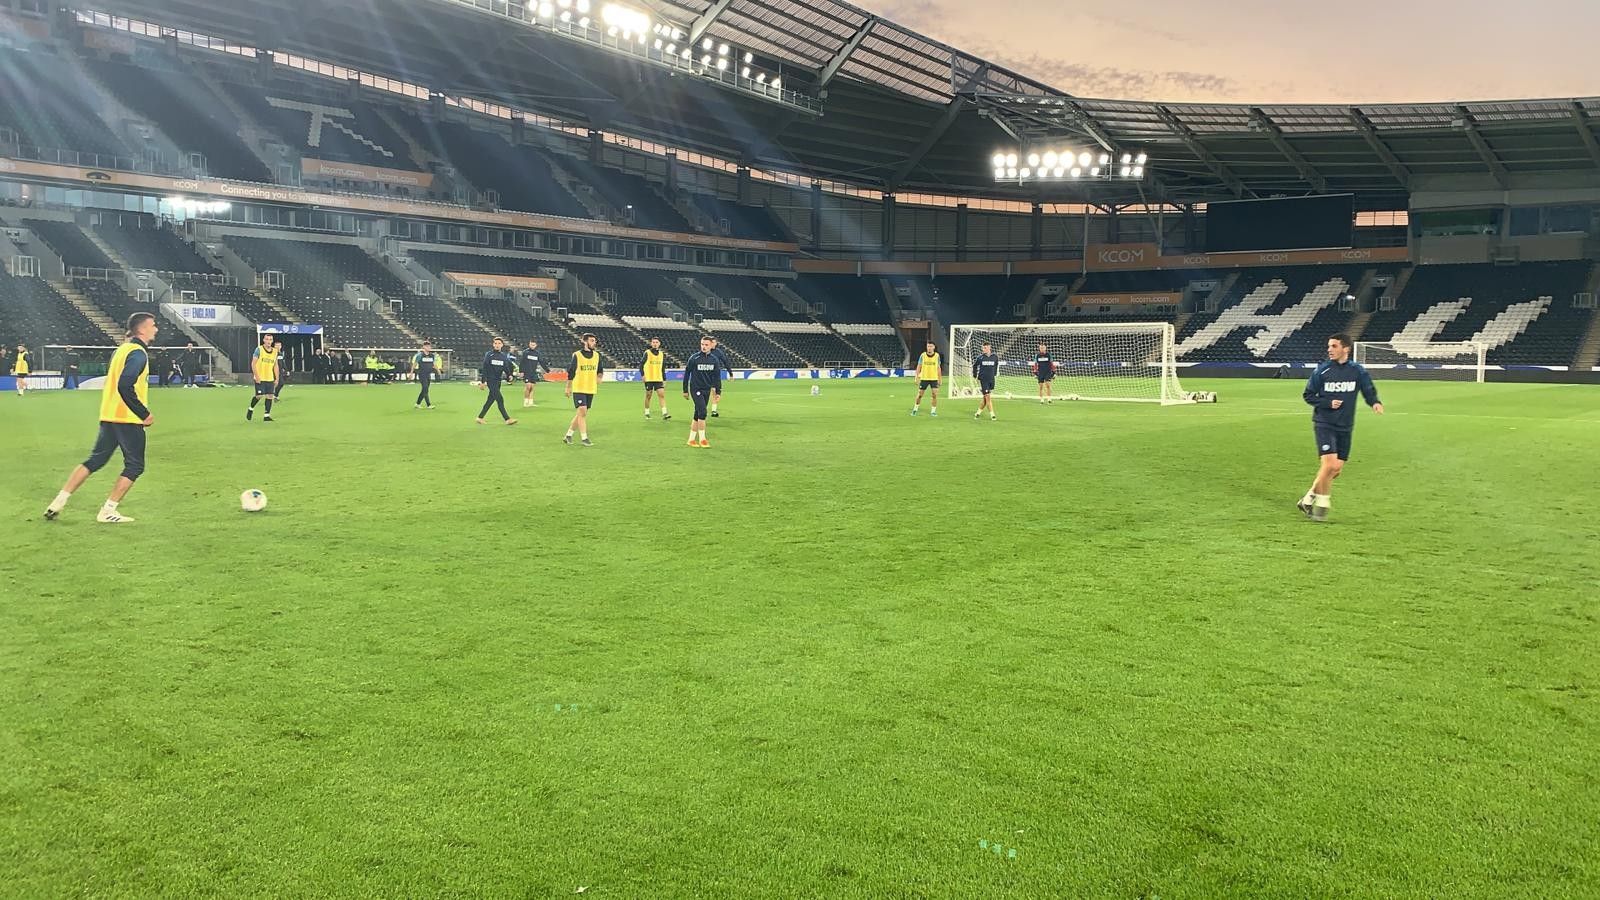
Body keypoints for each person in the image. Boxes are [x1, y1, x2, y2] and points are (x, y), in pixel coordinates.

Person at [43, 313, 158, 524]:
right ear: (142, 329)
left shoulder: (121, 350)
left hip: (109, 415)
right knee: (135, 466)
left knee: (95, 460)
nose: (156, 329)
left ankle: (58, 502)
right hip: (127, 418)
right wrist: (144, 413)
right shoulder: (138, 353)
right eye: (153, 325)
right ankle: (108, 510)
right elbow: (125, 385)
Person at [1298, 333, 1384, 523]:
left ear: (1346, 349)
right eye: (1329, 346)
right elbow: (1308, 395)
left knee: (1336, 469)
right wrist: (1327, 403)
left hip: (1345, 425)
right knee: (1328, 465)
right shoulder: (1322, 371)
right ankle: (1322, 504)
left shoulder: (1357, 371)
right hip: (1324, 423)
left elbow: (1367, 389)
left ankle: (1308, 498)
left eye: (1334, 346)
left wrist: (1375, 402)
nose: (1329, 349)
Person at [564, 333, 603, 446]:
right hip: (579, 387)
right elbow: (571, 373)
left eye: (594, 341)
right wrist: (568, 387)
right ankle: (584, 438)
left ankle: (568, 435)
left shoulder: (597, 355)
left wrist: (599, 377)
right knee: (582, 411)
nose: (594, 343)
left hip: (591, 388)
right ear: (585, 342)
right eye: (592, 340)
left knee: (581, 414)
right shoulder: (577, 355)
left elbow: (600, 370)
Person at [682, 335, 720, 447]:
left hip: (706, 390)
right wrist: (685, 390)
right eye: (702, 344)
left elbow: (717, 377)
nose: (704, 346)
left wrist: (718, 392)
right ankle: (703, 439)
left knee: (697, 414)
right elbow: (687, 374)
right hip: (696, 389)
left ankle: (691, 440)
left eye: (706, 345)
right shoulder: (694, 358)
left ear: (711, 346)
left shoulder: (714, 360)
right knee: (703, 412)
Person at [476, 337, 519, 425]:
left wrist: (509, 375)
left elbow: (505, 367)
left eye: (499, 343)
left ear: (502, 345)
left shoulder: (503, 356)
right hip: (490, 381)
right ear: (493, 344)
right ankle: (507, 419)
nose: (497, 345)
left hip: (498, 381)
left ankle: (480, 417)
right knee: (500, 399)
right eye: (495, 343)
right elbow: (485, 368)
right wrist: (483, 382)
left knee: (490, 400)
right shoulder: (489, 355)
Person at [246, 334, 281, 422]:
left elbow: (275, 365)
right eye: (267, 339)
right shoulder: (259, 350)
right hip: (260, 377)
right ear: (264, 340)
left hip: (270, 377)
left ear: (272, 341)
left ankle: (266, 416)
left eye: (270, 339)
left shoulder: (275, 351)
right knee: (259, 396)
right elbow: (253, 364)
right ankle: (251, 409)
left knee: (270, 396)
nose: (269, 341)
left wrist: (277, 378)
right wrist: (257, 376)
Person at [640, 337, 671, 420]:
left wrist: (664, 379)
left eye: (656, 342)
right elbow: (641, 365)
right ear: (651, 343)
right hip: (649, 378)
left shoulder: (662, 354)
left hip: (658, 378)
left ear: (659, 344)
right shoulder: (647, 353)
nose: (655, 344)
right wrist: (643, 375)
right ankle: (647, 412)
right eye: (653, 342)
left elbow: (663, 368)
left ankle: (665, 413)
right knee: (648, 396)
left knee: (661, 395)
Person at [910, 341, 940, 416]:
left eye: (931, 346)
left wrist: (940, 379)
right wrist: (916, 377)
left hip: (934, 378)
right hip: (924, 378)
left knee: (934, 395)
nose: (929, 348)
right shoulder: (923, 355)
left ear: (934, 347)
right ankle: (915, 409)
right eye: (928, 346)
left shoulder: (937, 356)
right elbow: (919, 366)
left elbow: (938, 367)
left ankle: (933, 411)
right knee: (920, 395)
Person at [972, 341, 1000, 420]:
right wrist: (975, 375)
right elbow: (974, 366)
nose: (983, 349)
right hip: (983, 379)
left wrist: (994, 374)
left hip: (991, 379)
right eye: (983, 348)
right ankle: (992, 414)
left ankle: (978, 413)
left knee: (985, 398)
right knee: (987, 397)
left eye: (985, 348)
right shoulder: (980, 357)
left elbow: (996, 365)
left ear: (989, 348)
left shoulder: (995, 357)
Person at [708, 336, 733, 417]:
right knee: (708, 392)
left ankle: (714, 410)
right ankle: (706, 409)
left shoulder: (718, 352)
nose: (713, 344)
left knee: (716, 394)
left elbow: (726, 362)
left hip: (716, 376)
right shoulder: (706, 352)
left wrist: (730, 373)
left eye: (714, 342)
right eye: (712, 342)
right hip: (706, 375)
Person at [518, 339, 547, 408]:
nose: (532, 346)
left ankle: (531, 402)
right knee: (528, 386)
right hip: (526, 372)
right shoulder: (525, 352)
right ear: (529, 344)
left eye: (533, 345)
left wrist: (547, 370)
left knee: (532, 387)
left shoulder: (537, 353)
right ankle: (525, 402)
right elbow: (522, 362)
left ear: (536, 345)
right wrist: (521, 371)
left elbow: (541, 362)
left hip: (533, 372)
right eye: (531, 344)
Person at [412, 341, 440, 409]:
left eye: (429, 346)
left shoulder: (432, 356)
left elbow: (434, 364)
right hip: (422, 374)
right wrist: (411, 373)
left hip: (428, 374)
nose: (429, 347)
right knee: (425, 388)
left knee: (424, 390)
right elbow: (414, 364)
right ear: (423, 347)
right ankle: (428, 405)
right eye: (427, 346)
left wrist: (438, 370)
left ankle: (417, 403)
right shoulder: (419, 355)